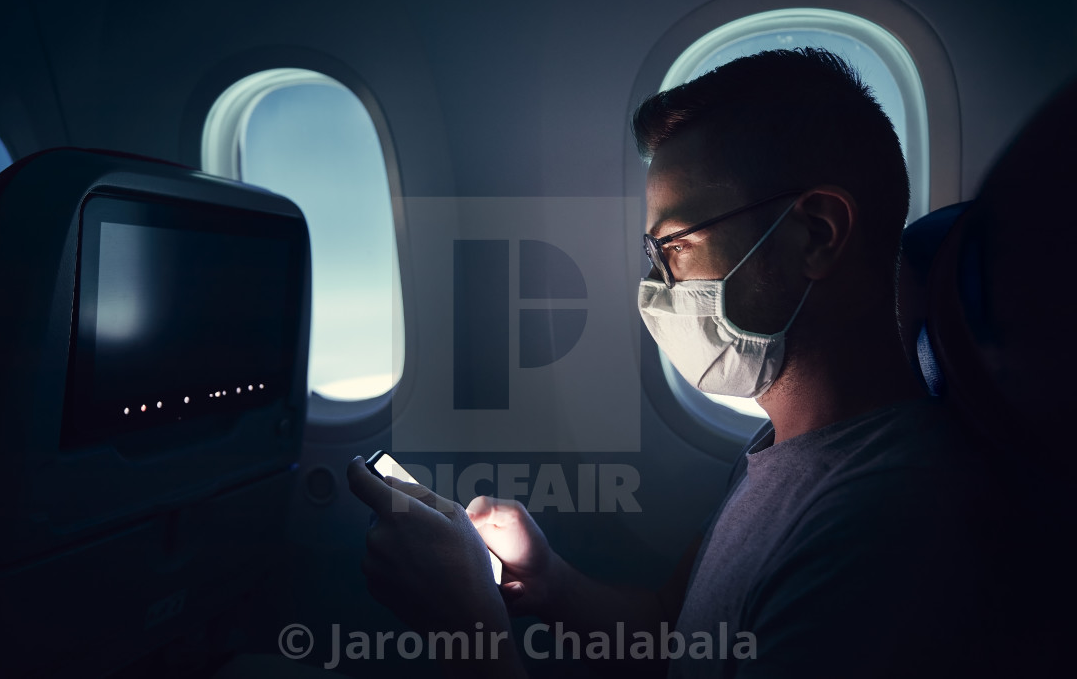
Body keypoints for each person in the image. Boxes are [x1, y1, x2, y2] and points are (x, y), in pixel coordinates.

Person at [347, 48, 999, 678]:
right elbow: (675, 637)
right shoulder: (781, 444)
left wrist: (465, 632)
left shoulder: (882, 524)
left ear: (816, 233)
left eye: (675, 246)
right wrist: (545, 578)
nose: (656, 286)